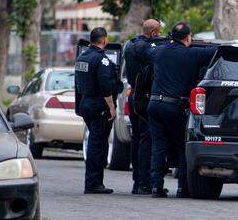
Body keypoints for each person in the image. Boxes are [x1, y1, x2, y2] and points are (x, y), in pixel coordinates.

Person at [148, 22, 218, 198]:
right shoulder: (192, 53)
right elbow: (215, 51)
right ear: (188, 38)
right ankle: (182, 187)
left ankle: (156, 187)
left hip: (154, 104)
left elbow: (144, 50)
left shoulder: (159, 51)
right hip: (173, 107)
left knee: (158, 146)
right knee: (182, 145)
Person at [74, 27, 121, 195]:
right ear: (104, 40)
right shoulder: (102, 60)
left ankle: (94, 181)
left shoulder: (82, 57)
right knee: (97, 145)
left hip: (85, 102)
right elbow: (105, 86)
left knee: (96, 142)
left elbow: (78, 84)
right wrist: (111, 107)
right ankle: (94, 183)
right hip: (98, 105)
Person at [122, 19, 162, 195]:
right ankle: (144, 183)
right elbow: (158, 56)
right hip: (144, 97)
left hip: (134, 95)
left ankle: (138, 181)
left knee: (137, 138)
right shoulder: (146, 48)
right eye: (158, 32)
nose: (160, 35)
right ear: (153, 32)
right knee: (146, 139)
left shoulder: (130, 45)